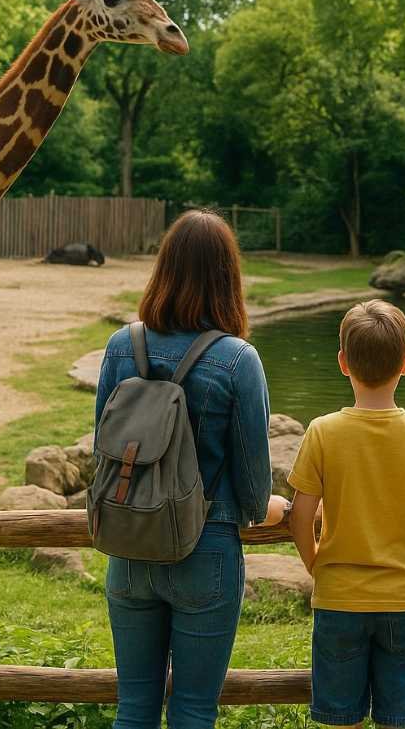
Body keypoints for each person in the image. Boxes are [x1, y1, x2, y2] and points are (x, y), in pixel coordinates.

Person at [94, 209, 287, 729]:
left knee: (134, 708)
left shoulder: (120, 347)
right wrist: (270, 506)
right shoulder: (237, 359)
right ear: (228, 277)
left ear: (164, 268)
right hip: (206, 549)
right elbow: (253, 492)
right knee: (194, 711)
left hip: (129, 545)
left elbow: (102, 453)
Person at [288, 300, 405, 729]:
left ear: (343, 362)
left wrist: (314, 565)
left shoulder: (323, 431)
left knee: (341, 718)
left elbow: (300, 516)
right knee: (398, 719)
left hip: (339, 598)